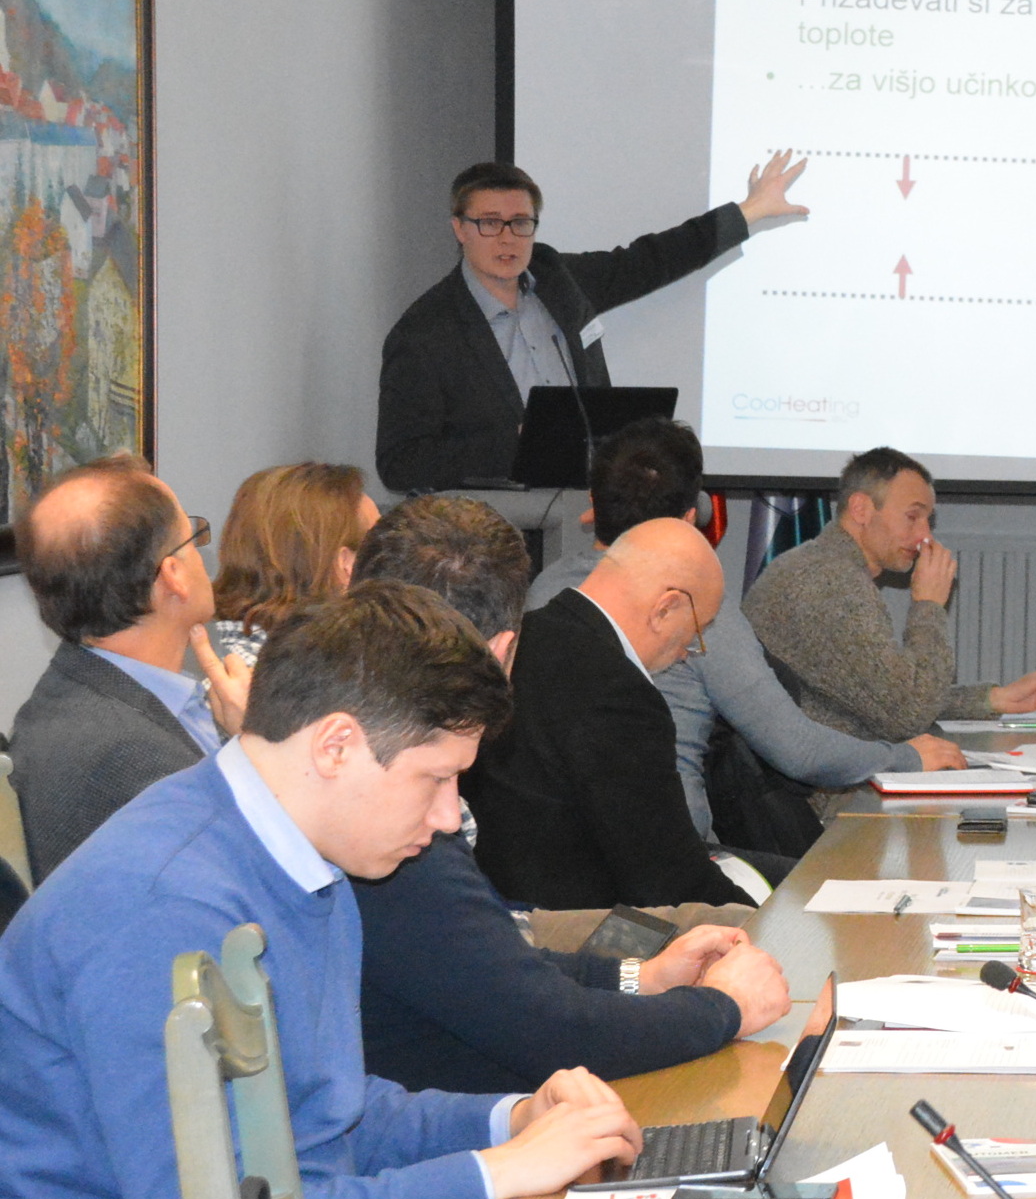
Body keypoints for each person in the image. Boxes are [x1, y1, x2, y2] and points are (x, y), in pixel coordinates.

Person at [0, 582, 643, 1199]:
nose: (449, 816)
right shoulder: (164, 906)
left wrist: (508, 1120)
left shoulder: (304, 864)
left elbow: (324, 1111)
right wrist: (493, 1174)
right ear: (336, 746)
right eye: (435, 778)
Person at [351, 494, 790, 1092]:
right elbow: (547, 1025)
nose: (451, 813)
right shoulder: (392, 828)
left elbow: (498, 961)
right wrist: (723, 1008)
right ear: (500, 652)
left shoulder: (375, 777)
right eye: (438, 780)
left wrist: (644, 978)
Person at [525, 419, 936, 836]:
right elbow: (798, 750)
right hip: (674, 850)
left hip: (559, 845)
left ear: (593, 503)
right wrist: (907, 758)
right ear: (689, 519)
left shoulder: (545, 589)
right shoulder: (697, 606)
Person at [374, 153, 810, 491]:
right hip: (494, 526)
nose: (507, 238)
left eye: (520, 223)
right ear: (459, 229)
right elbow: (401, 463)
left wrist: (749, 211)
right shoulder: (424, 334)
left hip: (586, 509)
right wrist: (518, 443)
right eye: (490, 223)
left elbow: (653, 259)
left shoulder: (560, 280)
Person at [465, 517, 751, 909]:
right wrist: (762, 926)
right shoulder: (619, 693)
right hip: (584, 924)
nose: (687, 652)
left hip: (501, 902)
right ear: (666, 607)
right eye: (696, 633)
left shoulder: (525, 634)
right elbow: (668, 882)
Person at [8, 456, 243, 880]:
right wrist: (259, 748)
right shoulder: (134, 757)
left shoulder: (70, 691)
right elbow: (249, 881)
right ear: (173, 575)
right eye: (193, 539)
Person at [743, 448, 1036, 752]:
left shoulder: (824, 567)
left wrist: (994, 699)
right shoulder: (832, 584)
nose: (925, 536)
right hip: (814, 788)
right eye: (913, 517)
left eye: (927, 520)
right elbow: (906, 715)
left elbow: (882, 696)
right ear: (861, 509)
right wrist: (928, 605)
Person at [210, 461, 382, 664]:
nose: (389, 556)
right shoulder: (306, 674)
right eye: (382, 543)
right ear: (346, 565)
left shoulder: (246, 663)